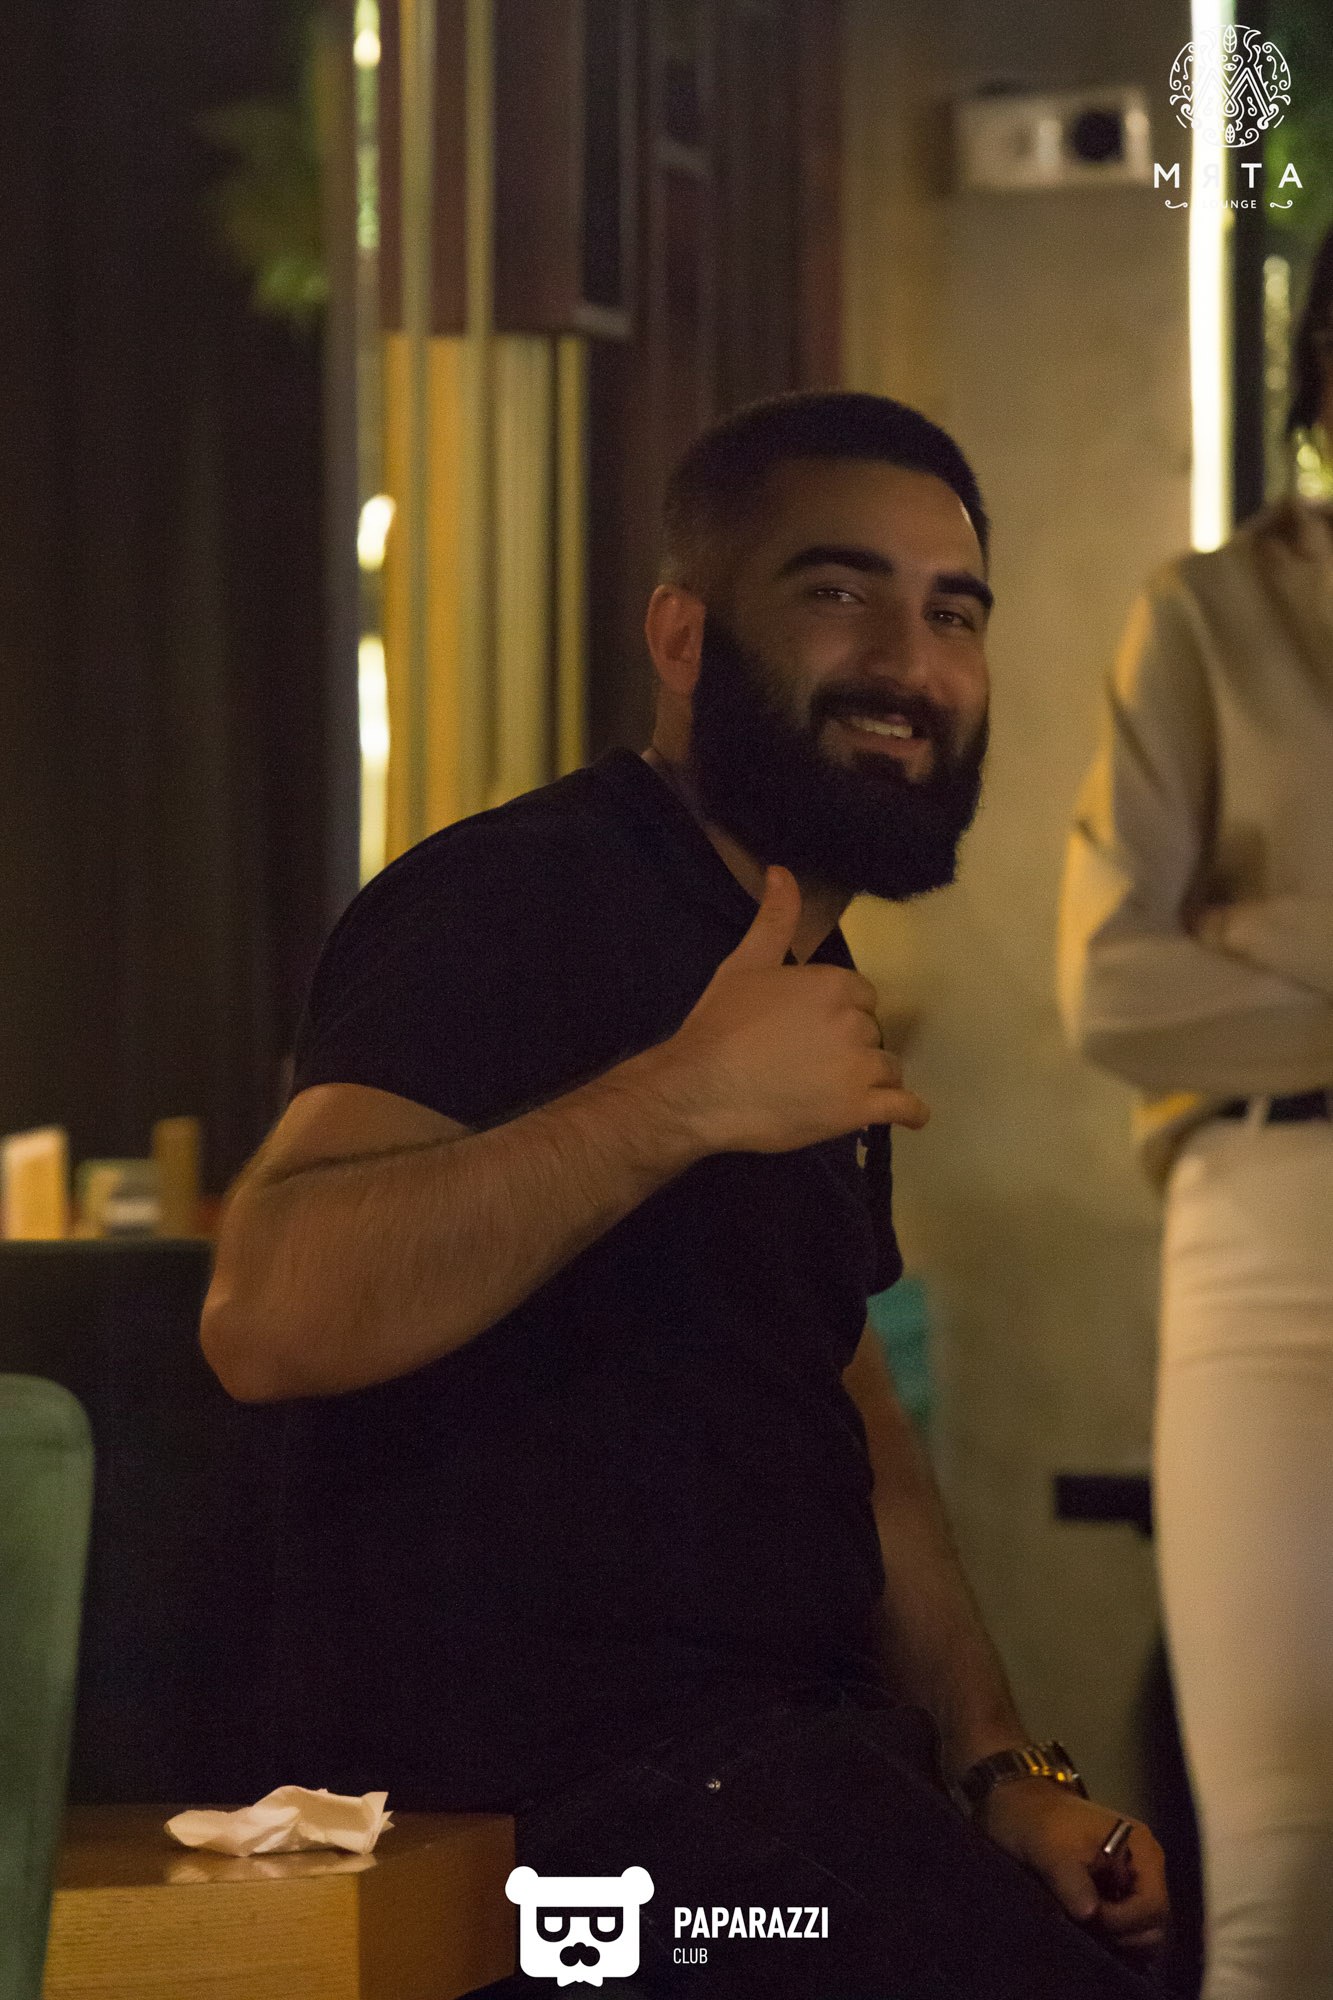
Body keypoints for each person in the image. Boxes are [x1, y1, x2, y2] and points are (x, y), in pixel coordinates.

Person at [203, 391, 1167, 1996]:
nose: (907, 661)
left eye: (954, 612)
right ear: (680, 635)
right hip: (571, 1835)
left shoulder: (796, 969)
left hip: (786, 1780)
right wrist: (681, 1099)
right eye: (837, 590)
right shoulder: (523, 893)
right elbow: (267, 1312)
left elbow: (845, 1405)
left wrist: (1004, 1772)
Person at [1058, 231, 1333, 2000]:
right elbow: (1113, 989)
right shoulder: (1209, 616)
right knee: (1277, 1872)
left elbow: (1185, 963)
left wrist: (1267, 930)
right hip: (1265, 1229)